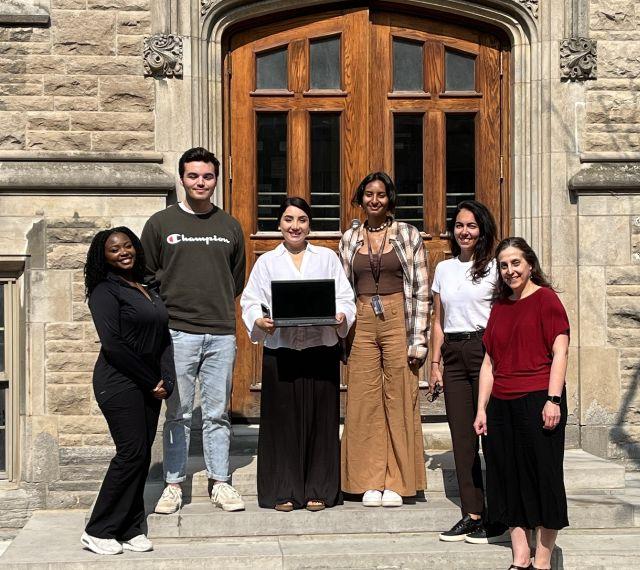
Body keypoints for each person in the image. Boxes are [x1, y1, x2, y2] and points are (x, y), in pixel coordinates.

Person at [141, 147, 247, 514]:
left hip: (220, 332)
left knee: (217, 413)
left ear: (215, 180)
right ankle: (174, 484)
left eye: (207, 176)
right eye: (193, 176)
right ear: (182, 179)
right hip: (177, 333)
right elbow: (146, 276)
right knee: (179, 413)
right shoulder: (160, 224)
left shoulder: (229, 226)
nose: (200, 182)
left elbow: (236, 279)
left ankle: (220, 482)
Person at [240, 197, 356, 512]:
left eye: (302, 220)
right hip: (282, 350)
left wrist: (343, 315)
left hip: (321, 349)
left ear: (309, 225)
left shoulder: (327, 257)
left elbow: (345, 296)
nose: (295, 226)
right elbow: (250, 301)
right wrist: (258, 320)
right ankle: (284, 491)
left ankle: (319, 489)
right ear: (279, 224)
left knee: (321, 419)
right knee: (283, 422)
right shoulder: (266, 262)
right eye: (289, 219)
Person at [474, 237, 570, 570]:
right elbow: (489, 362)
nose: (510, 270)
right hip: (501, 405)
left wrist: (553, 399)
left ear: (530, 264)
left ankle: (542, 561)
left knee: (544, 479)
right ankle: (520, 556)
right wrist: (482, 408)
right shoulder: (499, 307)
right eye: (503, 265)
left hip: (538, 401)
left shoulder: (547, 300)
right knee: (506, 479)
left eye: (516, 263)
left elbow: (560, 352)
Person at [81, 227, 174, 555]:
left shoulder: (147, 288)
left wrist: (167, 378)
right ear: (102, 257)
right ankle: (98, 529)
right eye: (113, 249)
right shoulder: (105, 291)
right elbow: (114, 346)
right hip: (118, 383)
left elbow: (163, 337)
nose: (123, 252)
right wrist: (151, 380)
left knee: (142, 456)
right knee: (131, 453)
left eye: (127, 245)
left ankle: (130, 527)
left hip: (149, 383)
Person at [340, 171, 429, 507]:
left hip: (398, 317)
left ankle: (399, 481)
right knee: (363, 398)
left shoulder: (407, 234)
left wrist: (418, 337)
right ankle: (366, 479)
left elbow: (421, 289)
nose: (374, 200)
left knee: (399, 396)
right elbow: (342, 287)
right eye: (368, 194)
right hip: (362, 319)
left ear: (390, 199)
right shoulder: (349, 238)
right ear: (360, 199)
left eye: (380, 194)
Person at [430, 200, 507, 543]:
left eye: (471, 226)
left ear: (482, 230)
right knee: (462, 439)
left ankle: (500, 514)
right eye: (459, 225)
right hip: (454, 355)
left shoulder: (494, 268)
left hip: (485, 352)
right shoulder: (444, 269)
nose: (464, 231)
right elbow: (437, 321)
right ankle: (472, 513)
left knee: (491, 434)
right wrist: (435, 363)